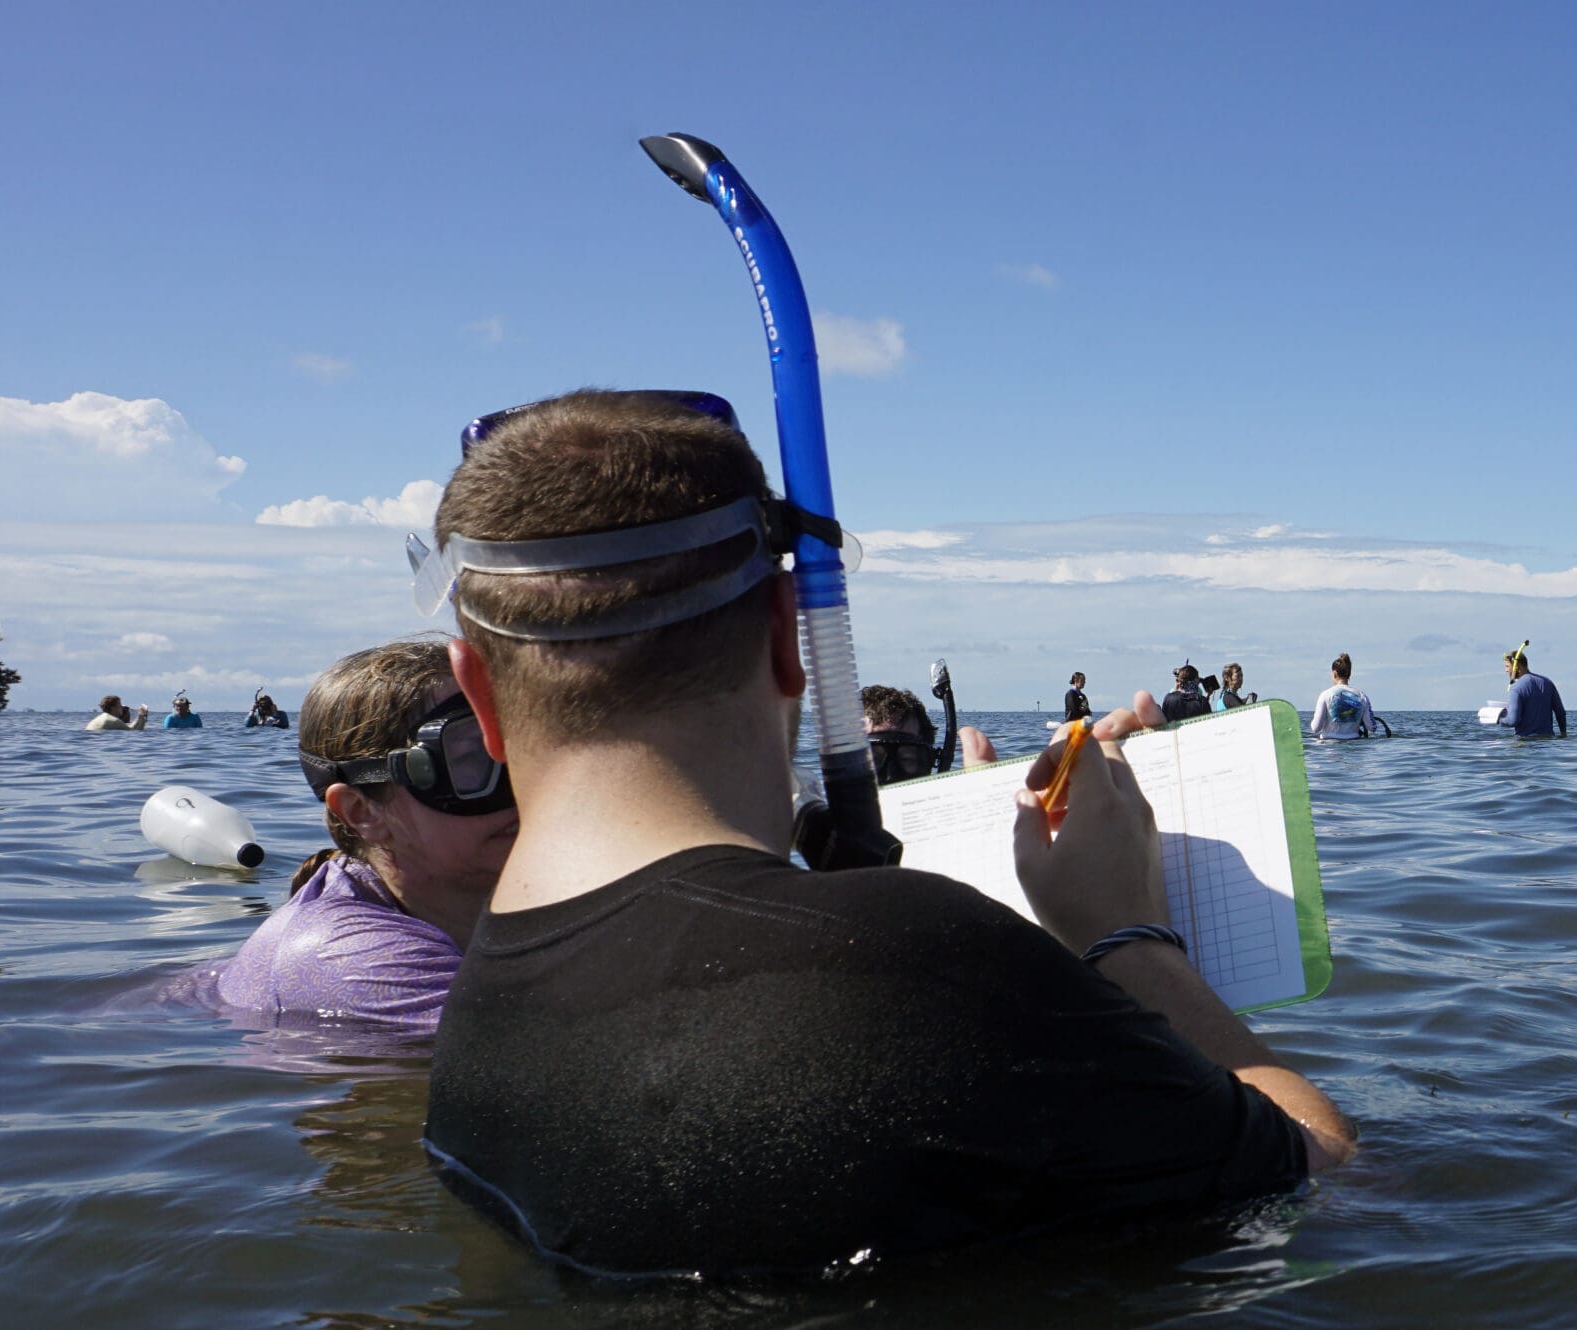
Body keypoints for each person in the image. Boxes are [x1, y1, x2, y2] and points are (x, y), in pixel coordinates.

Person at [421, 390, 1353, 1277]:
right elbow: (1330, 1188)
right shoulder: (917, 963)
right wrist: (1127, 934)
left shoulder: (465, 1018)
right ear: (792, 638)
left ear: (477, 691)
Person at [214, 637, 518, 1028]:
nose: (522, 785)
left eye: (527, 748)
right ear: (363, 812)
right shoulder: (350, 959)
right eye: (472, 760)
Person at [1496, 642, 1567, 738]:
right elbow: (1560, 712)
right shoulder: (1548, 682)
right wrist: (1563, 734)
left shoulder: (1516, 688)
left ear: (1517, 666)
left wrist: (1498, 719)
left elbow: (1513, 720)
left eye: (1508, 666)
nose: (1506, 670)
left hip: (1525, 744)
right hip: (1548, 744)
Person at [1307, 653, 1380, 741]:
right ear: (1349, 674)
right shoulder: (1362, 696)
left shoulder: (1325, 695)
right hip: (1354, 744)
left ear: (1334, 674)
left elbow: (1316, 728)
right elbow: (1372, 727)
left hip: (1328, 746)